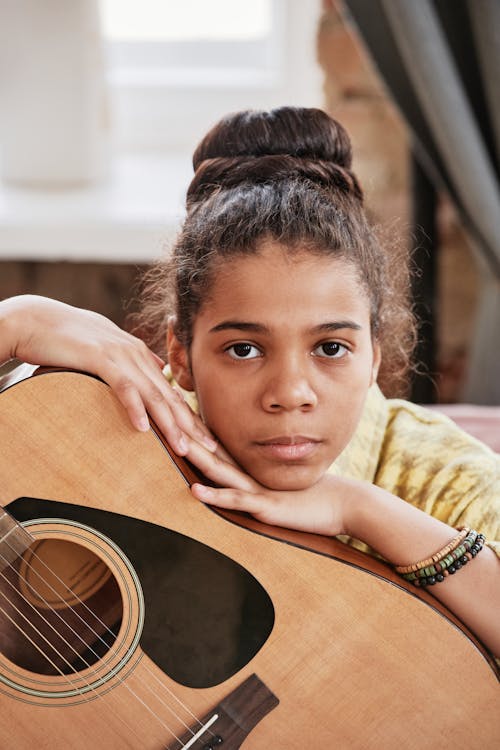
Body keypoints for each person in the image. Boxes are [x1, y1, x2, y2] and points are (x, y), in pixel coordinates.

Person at [0, 107, 499, 658]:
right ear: (180, 354)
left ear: (374, 356)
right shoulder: (114, 434)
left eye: (331, 348)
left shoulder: (444, 478)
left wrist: (358, 509)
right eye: (244, 349)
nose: (290, 392)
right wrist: (16, 322)